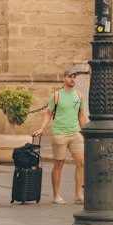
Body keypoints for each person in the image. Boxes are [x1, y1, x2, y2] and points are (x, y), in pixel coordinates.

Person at [34, 67, 87, 205]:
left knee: (81, 162)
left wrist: (85, 131)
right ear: (64, 78)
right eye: (70, 77)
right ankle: (56, 195)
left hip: (75, 133)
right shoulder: (56, 96)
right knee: (59, 164)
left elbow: (81, 115)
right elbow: (48, 113)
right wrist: (41, 128)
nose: (72, 79)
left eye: (74, 77)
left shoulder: (79, 95)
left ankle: (78, 195)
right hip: (59, 134)